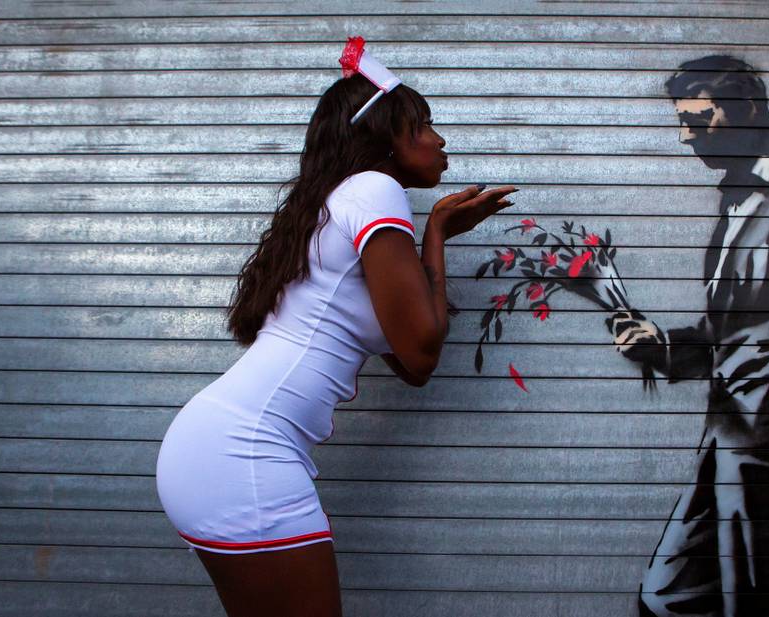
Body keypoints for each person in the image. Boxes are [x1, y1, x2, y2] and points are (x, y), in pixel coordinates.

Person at [155, 37, 517, 617]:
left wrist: (436, 239)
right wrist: (435, 236)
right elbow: (424, 352)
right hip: (245, 456)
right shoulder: (376, 190)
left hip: (212, 453)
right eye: (424, 124)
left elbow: (408, 363)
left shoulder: (333, 206)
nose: (440, 139)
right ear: (388, 140)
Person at [610, 55, 769, 616]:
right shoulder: (738, 195)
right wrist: (666, 347)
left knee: (768, 605)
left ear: (747, 109)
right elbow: (741, 328)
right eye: (682, 120)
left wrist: (764, 400)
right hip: (732, 443)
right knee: (670, 597)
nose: (685, 137)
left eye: (698, 120)